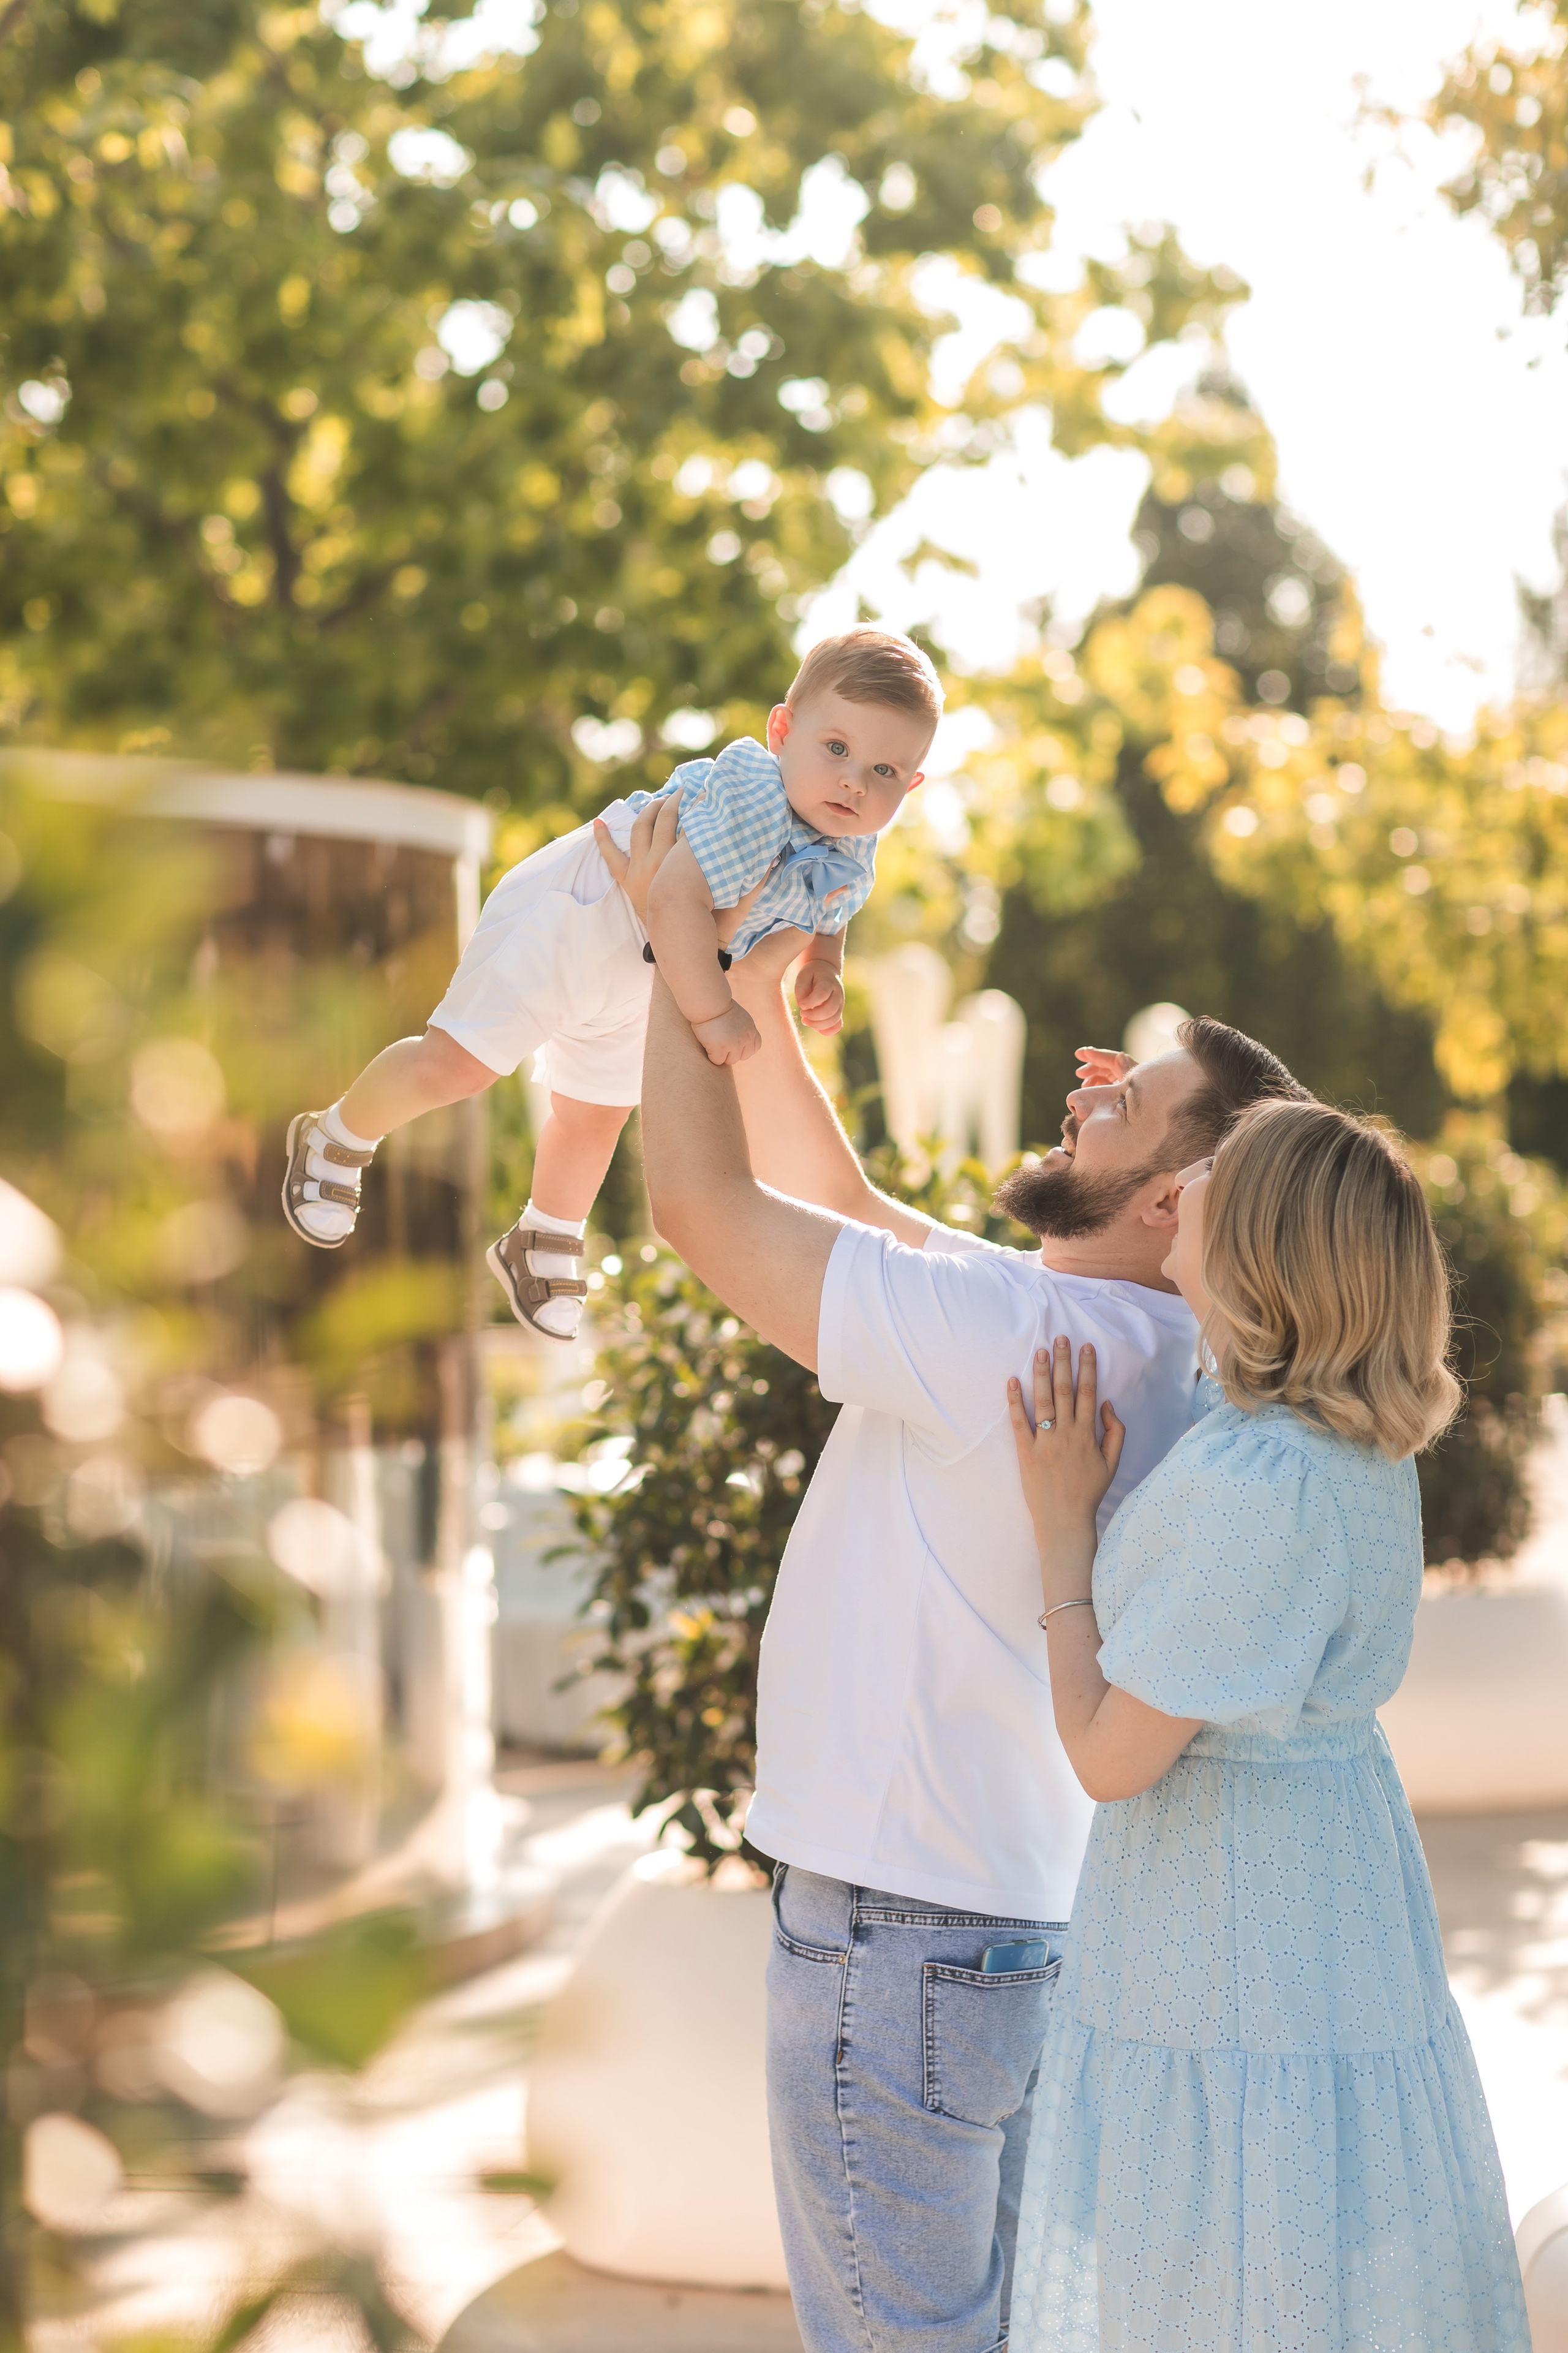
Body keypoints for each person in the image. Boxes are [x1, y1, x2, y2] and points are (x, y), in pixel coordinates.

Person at [614, 799, 1312, 2353]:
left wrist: (671, 954)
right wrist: (769, 1002)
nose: (1087, 1079)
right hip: (997, 1937)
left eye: (1127, 1097)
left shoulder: (1027, 1339)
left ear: (1166, 1206)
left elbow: (700, 1210)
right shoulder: (1131, 1337)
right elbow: (846, 1213)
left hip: (895, 1942)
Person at [1004, 1099, 1529, 2353]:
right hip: (1313, 1898)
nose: (1173, 1198)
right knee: (1297, 2254)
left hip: (1230, 1935)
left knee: (1221, 2273)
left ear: (1258, 1254)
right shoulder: (1327, 1445)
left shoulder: (1263, 1485)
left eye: (1204, 1184)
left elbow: (1106, 1757)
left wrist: (1059, 1531)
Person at [279, 625, 938, 1340]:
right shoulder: (754, 800)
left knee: (595, 1111)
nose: (854, 781)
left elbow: (830, 903)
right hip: (587, 914)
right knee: (459, 1064)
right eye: (836, 749)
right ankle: (334, 1136)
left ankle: (543, 1235)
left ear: (912, 782)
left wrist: (823, 964)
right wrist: (714, 1014)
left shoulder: (852, 837)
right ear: (782, 730)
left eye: (884, 772)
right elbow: (674, 898)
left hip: (662, 967)